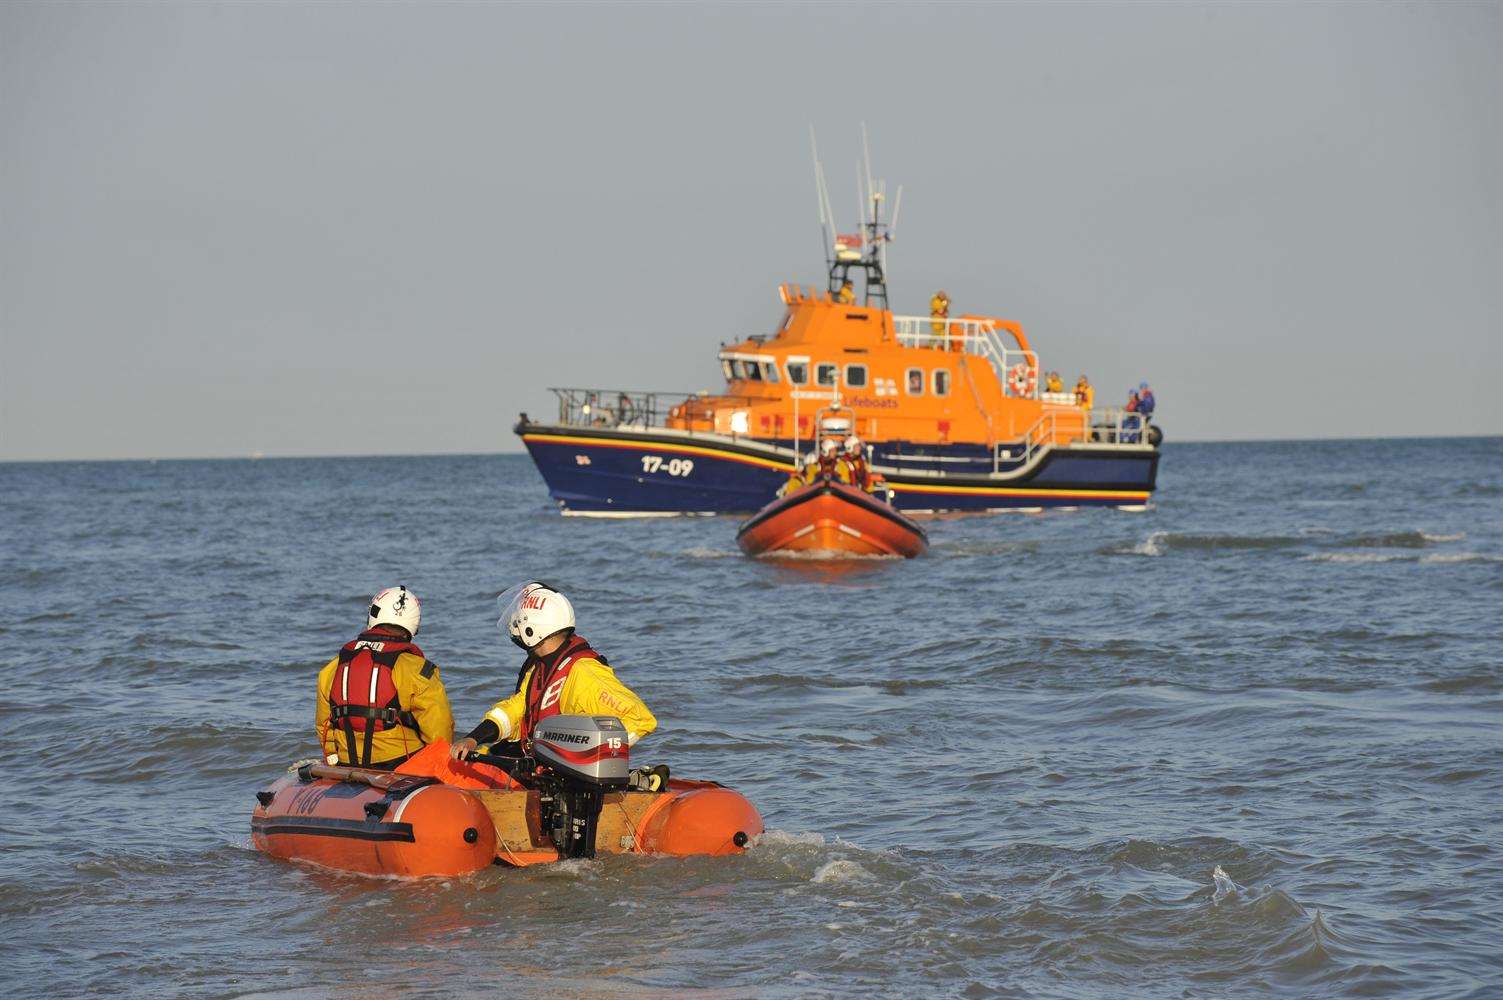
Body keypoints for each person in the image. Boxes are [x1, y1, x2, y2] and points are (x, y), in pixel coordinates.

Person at [450, 583, 657, 758]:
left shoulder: (583, 672)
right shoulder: (539, 667)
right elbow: (515, 711)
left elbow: (640, 719)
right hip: (540, 764)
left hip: (565, 777)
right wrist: (474, 738)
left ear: (531, 629)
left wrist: (583, 756)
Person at [316, 586, 454, 769]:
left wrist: (333, 760)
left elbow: (324, 727)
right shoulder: (418, 669)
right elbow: (439, 733)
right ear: (413, 625)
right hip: (402, 765)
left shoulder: (333, 667)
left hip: (346, 763)